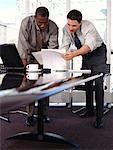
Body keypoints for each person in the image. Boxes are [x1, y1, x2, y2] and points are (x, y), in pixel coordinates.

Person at [60, 9, 107, 129]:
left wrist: (74, 54)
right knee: (87, 83)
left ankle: (99, 118)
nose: (70, 28)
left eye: (74, 25)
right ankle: (89, 110)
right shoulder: (66, 29)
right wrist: (61, 57)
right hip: (85, 55)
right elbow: (64, 46)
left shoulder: (88, 26)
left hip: (98, 53)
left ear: (80, 23)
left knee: (98, 83)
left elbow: (88, 46)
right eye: (69, 24)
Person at [17, 6, 59, 126]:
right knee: (30, 86)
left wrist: (49, 66)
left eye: (44, 23)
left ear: (48, 19)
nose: (42, 25)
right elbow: (22, 45)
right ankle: (30, 116)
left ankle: (43, 114)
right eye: (40, 22)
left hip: (44, 56)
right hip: (29, 56)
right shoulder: (26, 23)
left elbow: (53, 47)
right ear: (35, 18)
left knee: (45, 85)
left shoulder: (53, 26)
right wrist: (25, 68)